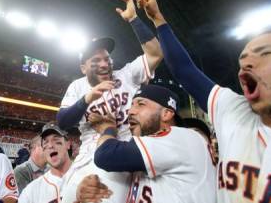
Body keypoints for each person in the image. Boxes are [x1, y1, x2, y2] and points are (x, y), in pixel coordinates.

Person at [137, 0, 271, 202]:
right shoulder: (233, 109)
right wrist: (158, 19)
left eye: (265, 53)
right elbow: (184, 70)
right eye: (242, 59)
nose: (246, 63)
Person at [57, 0, 164, 203]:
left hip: (121, 152)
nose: (105, 64)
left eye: (107, 59)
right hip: (86, 157)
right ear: (83, 67)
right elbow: (62, 121)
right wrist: (87, 98)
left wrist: (134, 19)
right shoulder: (78, 86)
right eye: (96, 61)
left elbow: (155, 54)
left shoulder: (126, 74)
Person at [86, 84, 216, 203]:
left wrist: (108, 129)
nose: (130, 111)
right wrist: (88, 189)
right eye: (132, 105)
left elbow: (106, 155)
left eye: (141, 104)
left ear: (166, 114)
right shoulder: (150, 158)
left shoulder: (182, 136)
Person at [18, 122, 72, 203]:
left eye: (56, 140)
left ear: (68, 144)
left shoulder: (89, 177)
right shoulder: (31, 191)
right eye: (45, 142)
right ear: (43, 149)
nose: (50, 145)